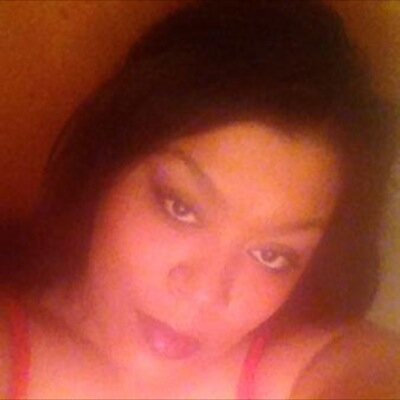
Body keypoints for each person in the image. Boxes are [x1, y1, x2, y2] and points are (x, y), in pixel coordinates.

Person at [1, 0, 399, 398]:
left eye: (272, 255)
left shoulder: (307, 363)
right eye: (181, 208)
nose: (206, 293)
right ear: (110, 161)